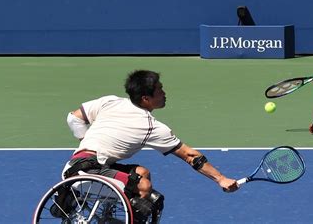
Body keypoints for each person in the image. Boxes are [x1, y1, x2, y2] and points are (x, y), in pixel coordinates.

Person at [63, 70, 239, 222]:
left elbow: (74, 118)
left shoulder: (110, 101)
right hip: (86, 174)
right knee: (144, 187)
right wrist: (221, 179)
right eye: (159, 90)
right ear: (146, 99)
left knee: (142, 173)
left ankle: (100, 213)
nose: (164, 93)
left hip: (78, 166)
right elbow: (189, 156)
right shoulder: (151, 126)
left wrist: (85, 142)